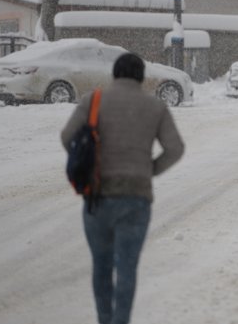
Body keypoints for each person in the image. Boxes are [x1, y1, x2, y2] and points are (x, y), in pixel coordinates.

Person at [60, 53, 185, 324]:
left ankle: (104, 319)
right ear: (141, 76)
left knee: (101, 266)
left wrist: (88, 161)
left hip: (98, 197)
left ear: (115, 74)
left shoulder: (93, 101)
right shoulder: (155, 106)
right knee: (127, 267)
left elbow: (67, 136)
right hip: (136, 198)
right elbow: (175, 148)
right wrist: (150, 169)